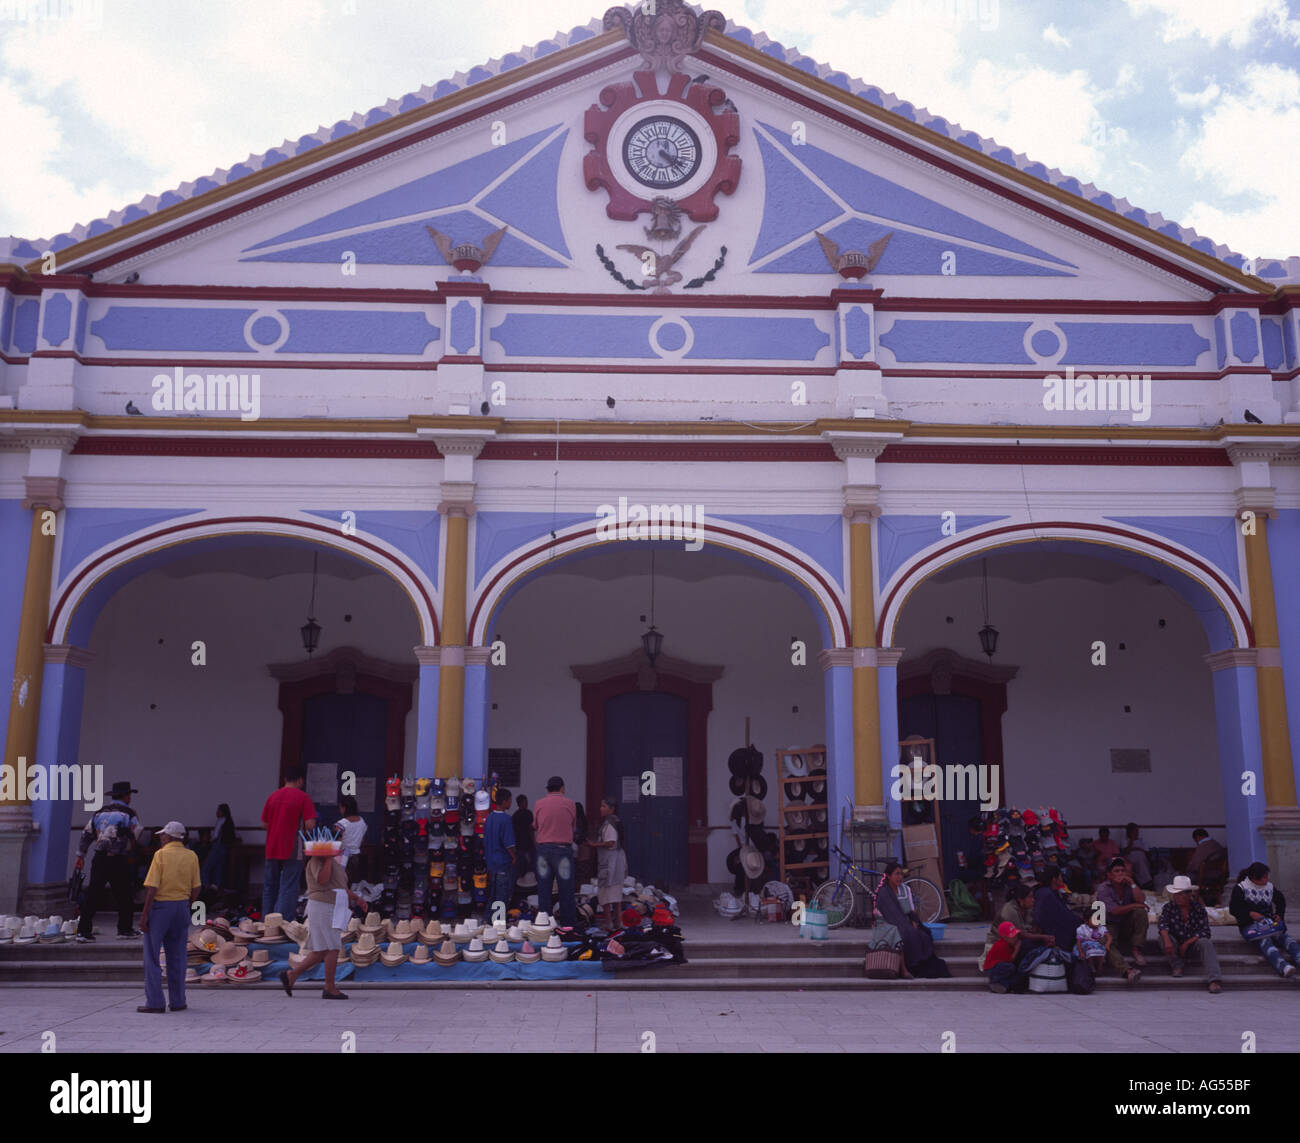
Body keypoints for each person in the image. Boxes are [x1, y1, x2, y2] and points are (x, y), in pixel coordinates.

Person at [279, 845, 365, 1000]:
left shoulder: (334, 863)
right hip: (323, 905)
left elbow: (340, 887)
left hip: (332, 905)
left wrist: (356, 899)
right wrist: (326, 859)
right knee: (332, 947)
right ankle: (330, 987)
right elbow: (323, 880)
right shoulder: (317, 860)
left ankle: (292, 975)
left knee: (321, 950)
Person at [137, 821, 201, 1013]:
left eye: (162, 836)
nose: (161, 839)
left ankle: (155, 1002)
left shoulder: (161, 855)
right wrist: (186, 904)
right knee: (178, 956)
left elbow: (152, 889)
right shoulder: (191, 856)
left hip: (161, 908)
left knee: (152, 956)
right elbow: (197, 887)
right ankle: (178, 1000)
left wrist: (144, 914)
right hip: (181, 907)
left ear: (168, 837)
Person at [75, 780, 143, 942]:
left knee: (93, 893)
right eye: (129, 795)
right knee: (124, 895)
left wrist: (80, 856)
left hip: (99, 858)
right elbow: (137, 832)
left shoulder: (99, 813)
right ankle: (124, 929)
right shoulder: (128, 813)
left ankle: (83, 931)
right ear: (125, 796)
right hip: (118, 859)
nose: (130, 798)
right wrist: (129, 848)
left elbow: (86, 835)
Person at [872, 862, 950, 979]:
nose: (899, 877)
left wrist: (914, 922)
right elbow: (885, 914)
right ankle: (905, 969)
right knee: (901, 934)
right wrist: (902, 925)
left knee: (923, 935)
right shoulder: (883, 892)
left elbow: (911, 911)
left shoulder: (905, 889)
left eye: (901, 874)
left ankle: (918, 965)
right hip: (885, 923)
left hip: (903, 921)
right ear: (888, 876)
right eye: (896, 874)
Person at [260, 767, 317, 921]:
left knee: (270, 886)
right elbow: (310, 824)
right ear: (300, 780)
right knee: (289, 886)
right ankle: (281, 923)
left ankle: (266, 923)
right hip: (292, 847)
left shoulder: (272, 797)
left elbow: (264, 824)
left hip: (272, 847)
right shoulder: (303, 797)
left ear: (285, 779)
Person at [1229, 861, 1300, 980]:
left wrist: (1279, 915)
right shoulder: (1241, 888)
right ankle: (1283, 966)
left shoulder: (1269, 887)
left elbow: (1280, 900)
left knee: (1287, 939)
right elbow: (1234, 909)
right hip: (1250, 926)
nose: (1267, 879)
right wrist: (1250, 914)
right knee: (1265, 942)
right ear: (1254, 878)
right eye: (1264, 877)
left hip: (1269, 923)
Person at [1159, 875, 1222, 993]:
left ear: (1188, 895)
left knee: (1205, 942)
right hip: (1175, 943)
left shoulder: (1198, 908)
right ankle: (1177, 965)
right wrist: (1167, 940)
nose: (1176, 897)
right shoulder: (1168, 907)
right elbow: (1163, 925)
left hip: (1192, 943)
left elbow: (1205, 931)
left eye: (1180, 894)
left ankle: (1214, 979)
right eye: (1175, 894)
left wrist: (1187, 943)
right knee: (1163, 938)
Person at [533, 776, 578, 926]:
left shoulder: (539, 804)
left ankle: (545, 926)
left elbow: (535, 825)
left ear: (547, 789)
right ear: (562, 788)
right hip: (563, 851)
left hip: (543, 852)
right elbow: (573, 825)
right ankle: (568, 927)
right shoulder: (570, 804)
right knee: (566, 891)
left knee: (544, 891)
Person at [981, 882, 1054, 970]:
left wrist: (1039, 933)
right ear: (1020, 899)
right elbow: (1020, 934)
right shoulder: (1010, 910)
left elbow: (1031, 926)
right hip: (1001, 942)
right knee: (1029, 946)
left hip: (1015, 939)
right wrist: (1043, 937)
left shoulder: (1027, 908)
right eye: (1030, 897)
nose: (1033, 900)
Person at [1094, 857, 1148, 976]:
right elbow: (1114, 911)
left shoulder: (1129, 885)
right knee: (1105, 941)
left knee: (1140, 912)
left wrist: (1133, 883)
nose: (1120, 874)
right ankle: (1127, 970)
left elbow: (1141, 900)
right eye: (1116, 871)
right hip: (1110, 924)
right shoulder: (1103, 888)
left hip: (1126, 924)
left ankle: (1136, 948)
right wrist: (1134, 904)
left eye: (1123, 871)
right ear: (1109, 875)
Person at [1033, 867, 1087, 959]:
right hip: (1052, 931)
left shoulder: (1048, 892)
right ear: (1054, 879)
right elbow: (1062, 915)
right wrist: (1081, 921)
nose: (1062, 879)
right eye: (1060, 876)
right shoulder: (1047, 894)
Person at [593, 796, 628, 930]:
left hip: (609, 862)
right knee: (615, 893)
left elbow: (611, 842)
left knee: (605, 892)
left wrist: (594, 844)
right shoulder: (616, 821)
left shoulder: (609, 824)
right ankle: (618, 922)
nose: (601, 809)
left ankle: (608, 922)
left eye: (603, 807)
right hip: (616, 860)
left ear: (611, 809)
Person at [484, 787, 517, 916]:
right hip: (503, 861)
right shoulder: (506, 819)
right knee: (502, 895)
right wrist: (514, 856)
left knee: (492, 894)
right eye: (509, 800)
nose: (510, 803)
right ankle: (498, 924)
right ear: (504, 801)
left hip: (491, 861)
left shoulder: (490, 817)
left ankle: (488, 921)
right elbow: (508, 843)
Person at [982, 921, 1026, 993]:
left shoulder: (1009, 944)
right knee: (1010, 967)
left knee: (1016, 979)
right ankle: (994, 981)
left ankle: (1003, 986)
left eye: (1016, 936)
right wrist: (1017, 949)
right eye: (1012, 937)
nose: (1015, 938)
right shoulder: (1003, 945)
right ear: (1004, 937)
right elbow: (1010, 960)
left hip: (999, 968)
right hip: (992, 969)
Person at [201, 803, 236, 890]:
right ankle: (215, 888)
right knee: (218, 869)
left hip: (218, 846)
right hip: (223, 847)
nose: (217, 812)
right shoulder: (228, 821)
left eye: (218, 810)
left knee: (206, 868)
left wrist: (210, 841)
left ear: (223, 812)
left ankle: (205, 887)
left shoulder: (223, 822)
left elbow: (216, 836)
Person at [333, 795, 367, 868]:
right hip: (356, 857)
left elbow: (336, 841)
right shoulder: (362, 821)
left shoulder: (341, 823)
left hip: (341, 857)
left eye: (340, 808)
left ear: (344, 808)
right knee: (353, 878)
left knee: (340, 878)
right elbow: (363, 840)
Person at [512, 793, 535, 886]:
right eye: (525, 802)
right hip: (528, 844)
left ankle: (518, 886)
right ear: (521, 803)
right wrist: (534, 842)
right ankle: (530, 886)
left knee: (520, 868)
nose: (527, 804)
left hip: (518, 844)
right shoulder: (528, 813)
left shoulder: (515, 815)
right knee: (530, 867)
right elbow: (531, 829)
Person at [1122, 822, 1152, 888]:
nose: (1136, 833)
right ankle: (1146, 882)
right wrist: (1131, 840)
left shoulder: (1142, 841)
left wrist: (1138, 850)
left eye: (1136, 831)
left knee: (1141, 860)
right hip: (1130, 860)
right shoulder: (1125, 841)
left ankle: (1144, 883)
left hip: (1142, 860)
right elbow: (1126, 852)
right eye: (1133, 831)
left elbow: (1148, 854)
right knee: (1138, 861)